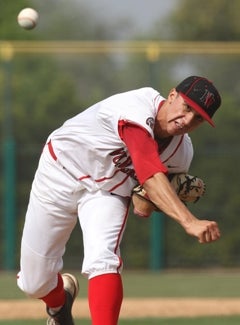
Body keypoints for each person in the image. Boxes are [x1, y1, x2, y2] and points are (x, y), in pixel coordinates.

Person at [17, 75, 222, 325]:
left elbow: (141, 206)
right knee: (34, 283)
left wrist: (156, 197)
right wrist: (188, 221)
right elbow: (148, 173)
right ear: (172, 95)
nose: (187, 120)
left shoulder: (181, 154)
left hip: (106, 193)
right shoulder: (135, 107)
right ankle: (59, 303)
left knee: (104, 260)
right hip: (59, 171)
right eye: (187, 107)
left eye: (198, 117)